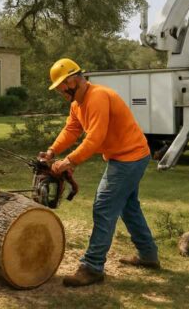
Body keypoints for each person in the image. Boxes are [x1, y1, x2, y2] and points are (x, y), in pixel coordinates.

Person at [41, 58, 159, 287]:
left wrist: (69, 161)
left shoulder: (98, 97)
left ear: (73, 80)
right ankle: (148, 255)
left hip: (129, 158)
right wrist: (52, 150)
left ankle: (92, 267)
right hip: (126, 156)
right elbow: (72, 129)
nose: (60, 93)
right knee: (128, 207)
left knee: (104, 206)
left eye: (61, 87)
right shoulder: (77, 103)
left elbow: (95, 138)